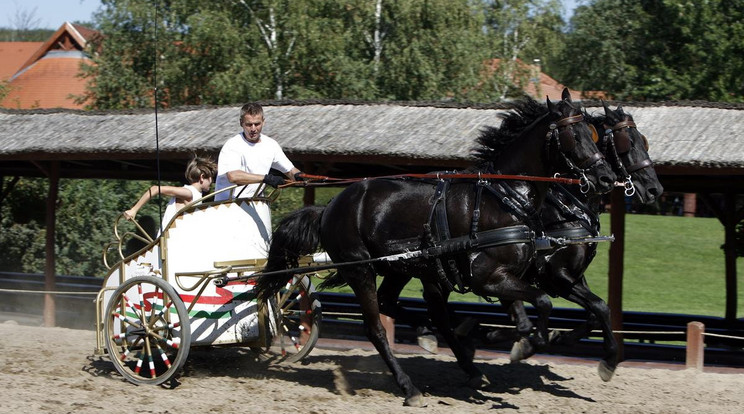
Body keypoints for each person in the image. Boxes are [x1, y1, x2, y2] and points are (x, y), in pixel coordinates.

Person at [214, 102, 303, 242]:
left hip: (256, 208)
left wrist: (301, 177)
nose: (253, 129)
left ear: (263, 122)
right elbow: (233, 176)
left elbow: (291, 171)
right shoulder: (232, 145)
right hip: (228, 210)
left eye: (257, 124)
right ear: (241, 123)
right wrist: (265, 178)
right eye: (249, 125)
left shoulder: (271, 145)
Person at [124, 155, 217, 233]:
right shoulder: (189, 193)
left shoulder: (196, 195)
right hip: (169, 240)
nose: (212, 181)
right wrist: (134, 210)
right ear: (202, 177)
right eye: (211, 178)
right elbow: (155, 189)